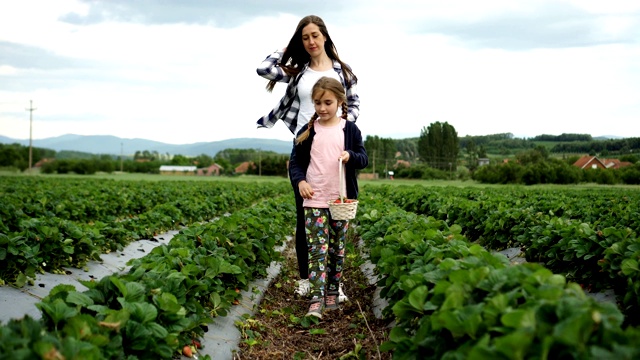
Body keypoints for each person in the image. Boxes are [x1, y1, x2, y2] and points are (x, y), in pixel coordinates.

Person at [255, 15, 360, 298]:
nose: (311, 41)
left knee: (337, 218)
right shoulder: (298, 71)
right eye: (305, 37)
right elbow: (263, 69)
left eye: (315, 35)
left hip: (335, 149)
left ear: (325, 36)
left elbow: (354, 103)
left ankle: (333, 283)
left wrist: (343, 131)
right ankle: (306, 278)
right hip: (304, 146)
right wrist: (288, 50)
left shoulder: (343, 72)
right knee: (306, 214)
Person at [288, 76, 368, 318]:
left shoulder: (350, 130)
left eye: (327, 103)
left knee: (337, 249)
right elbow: (296, 163)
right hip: (315, 199)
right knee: (317, 250)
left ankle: (332, 291)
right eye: (317, 103)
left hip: (340, 201)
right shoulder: (308, 130)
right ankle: (316, 297)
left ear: (340, 101)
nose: (322, 108)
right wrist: (301, 181)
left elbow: (363, 159)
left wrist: (350, 156)